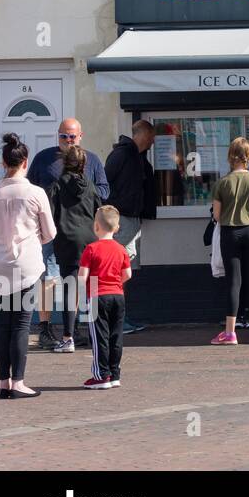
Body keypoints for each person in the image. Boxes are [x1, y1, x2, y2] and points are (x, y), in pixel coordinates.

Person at [28, 118, 108, 350]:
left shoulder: (92, 159)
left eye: (72, 136)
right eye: (64, 136)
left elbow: (104, 190)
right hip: (51, 231)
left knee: (79, 280)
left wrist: (79, 194)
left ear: (80, 136)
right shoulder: (43, 158)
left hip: (78, 230)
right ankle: (45, 328)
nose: (68, 140)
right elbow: (32, 189)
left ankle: (74, 332)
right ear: (58, 136)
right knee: (49, 279)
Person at [0, 133, 55, 399]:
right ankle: (18, 381)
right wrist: (35, 240)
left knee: (1, 325)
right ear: (25, 163)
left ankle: (5, 381)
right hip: (27, 265)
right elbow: (50, 232)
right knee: (21, 324)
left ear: (3, 162)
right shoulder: (36, 193)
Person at [46, 145, 103, 353]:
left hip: (67, 241)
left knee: (70, 289)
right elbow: (98, 210)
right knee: (92, 287)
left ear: (64, 162)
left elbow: (50, 214)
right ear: (84, 164)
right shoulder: (90, 185)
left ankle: (68, 338)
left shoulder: (57, 185)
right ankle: (95, 332)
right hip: (90, 240)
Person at [211, 137, 249, 345]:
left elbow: (217, 215)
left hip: (230, 232)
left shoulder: (222, 183)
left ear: (230, 157)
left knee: (234, 281)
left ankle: (230, 333)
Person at [105, 119, 156, 335]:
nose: (153, 142)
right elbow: (104, 184)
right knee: (118, 270)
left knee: (127, 270)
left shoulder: (138, 158)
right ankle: (116, 320)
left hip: (132, 220)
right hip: (122, 220)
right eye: (152, 137)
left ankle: (122, 316)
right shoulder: (123, 154)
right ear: (144, 135)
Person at [78, 206, 131, 389]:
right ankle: (115, 374)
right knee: (116, 336)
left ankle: (101, 375)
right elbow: (128, 274)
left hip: (96, 295)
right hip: (118, 295)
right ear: (117, 227)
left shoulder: (91, 249)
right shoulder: (121, 249)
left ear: (96, 226)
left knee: (99, 336)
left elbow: (82, 276)